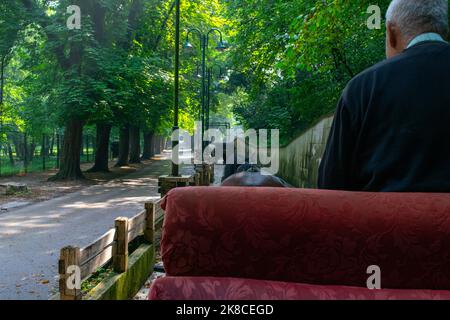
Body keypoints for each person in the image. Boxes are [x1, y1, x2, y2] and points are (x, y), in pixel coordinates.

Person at [318, 0, 450, 192]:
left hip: (383, 221)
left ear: (391, 32)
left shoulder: (362, 88)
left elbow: (330, 187)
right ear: (444, 30)